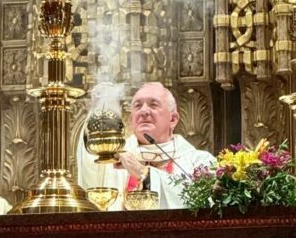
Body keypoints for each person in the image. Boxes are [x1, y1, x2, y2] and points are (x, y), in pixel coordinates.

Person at [77, 82, 215, 210]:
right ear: (131, 120)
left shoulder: (199, 163)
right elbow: (89, 173)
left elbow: (203, 203)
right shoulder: (114, 159)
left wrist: (143, 173)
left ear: (173, 119)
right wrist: (96, 112)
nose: (144, 111)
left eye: (153, 105)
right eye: (137, 106)